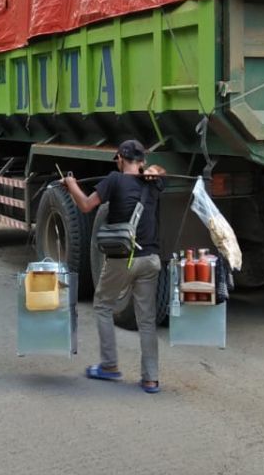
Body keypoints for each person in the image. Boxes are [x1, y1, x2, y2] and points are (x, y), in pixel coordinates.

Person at [63, 139, 166, 394]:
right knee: (146, 320)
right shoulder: (153, 183)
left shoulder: (114, 179)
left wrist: (72, 185)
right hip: (151, 259)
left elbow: (86, 205)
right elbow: (159, 172)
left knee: (102, 306)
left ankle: (109, 365)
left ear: (120, 158)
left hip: (123, 258)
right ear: (142, 161)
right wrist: (154, 171)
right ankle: (151, 379)